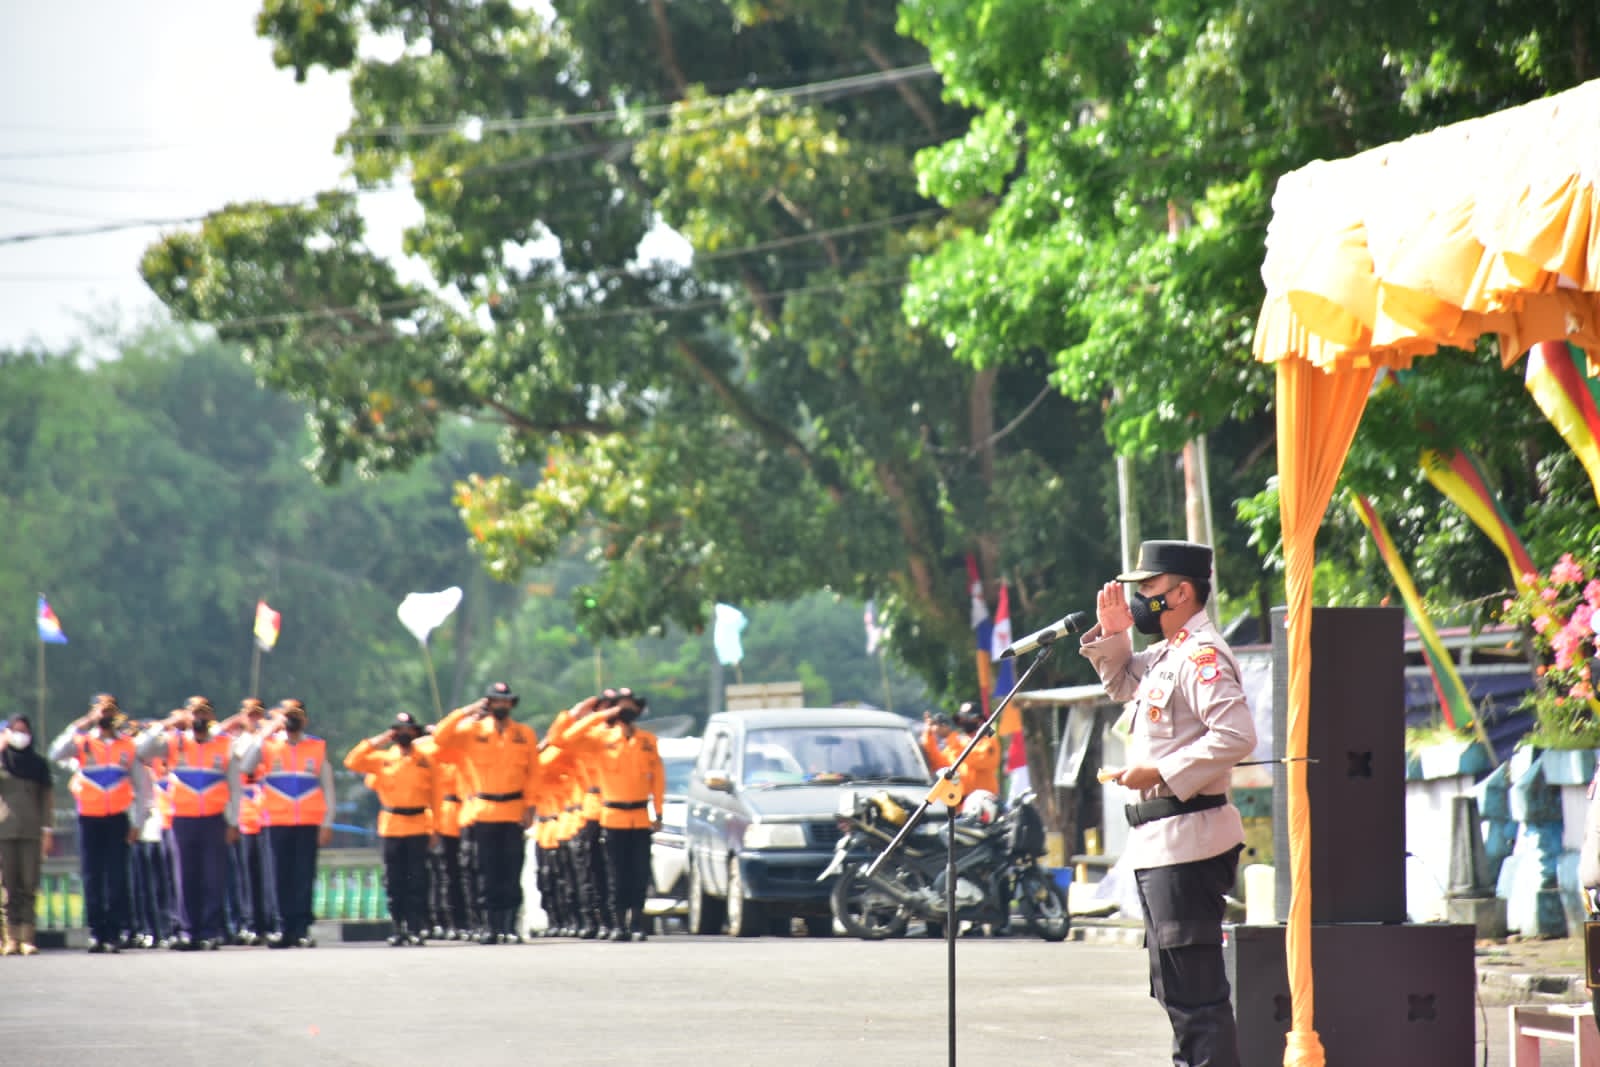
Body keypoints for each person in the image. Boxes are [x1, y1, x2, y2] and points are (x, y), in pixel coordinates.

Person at [1080, 539, 1255, 1067]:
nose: (1141, 599)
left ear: (1182, 591)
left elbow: (1236, 735)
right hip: (1162, 844)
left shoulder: (1201, 656)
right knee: (1178, 995)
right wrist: (1115, 632)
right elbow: (1122, 683)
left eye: (1149, 589)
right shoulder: (1169, 652)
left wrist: (1157, 770)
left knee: (1197, 998)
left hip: (1190, 841)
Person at [433, 682, 541, 944]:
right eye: (495, 701)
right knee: (487, 871)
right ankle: (490, 926)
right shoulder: (473, 731)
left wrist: (530, 807)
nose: (501, 705)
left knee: (512, 870)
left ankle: (510, 926)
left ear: (511, 704)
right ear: (488, 704)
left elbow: (533, 773)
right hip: (484, 811)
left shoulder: (524, 734)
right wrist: (467, 711)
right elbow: (440, 737)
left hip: (514, 810)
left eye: (505, 701)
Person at [554, 688, 665, 942]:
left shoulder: (647, 740)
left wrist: (658, 810)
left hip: (639, 815)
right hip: (612, 815)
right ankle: (617, 924)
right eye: (622, 706)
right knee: (615, 873)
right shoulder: (599, 738)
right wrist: (601, 714)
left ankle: (636, 922)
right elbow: (563, 739)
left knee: (639, 872)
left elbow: (658, 777)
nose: (627, 711)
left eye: (630, 706)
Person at [135, 696, 242, 951]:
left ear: (212, 717)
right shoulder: (174, 742)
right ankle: (187, 930)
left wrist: (233, 821)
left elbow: (236, 786)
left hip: (214, 818)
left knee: (212, 877)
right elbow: (140, 750)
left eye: (204, 713)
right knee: (184, 876)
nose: (199, 718)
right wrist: (168, 723)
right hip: (182, 818)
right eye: (194, 713)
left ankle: (209, 930)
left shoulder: (225, 744)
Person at [48, 694, 143, 953]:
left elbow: (140, 785)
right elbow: (55, 752)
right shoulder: (83, 741)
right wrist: (82, 723)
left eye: (110, 710)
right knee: (91, 875)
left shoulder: (127, 745)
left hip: (117, 818)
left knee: (116, 876)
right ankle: (96, 931)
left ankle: (113, 932)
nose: (106, 715)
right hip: (89, 816)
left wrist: (138, 821)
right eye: (101, 710)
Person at [238, 698, 335, 948]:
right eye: (288, 714)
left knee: (303, 875)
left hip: (307, 820)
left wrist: (327, 822)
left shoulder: (316, 746)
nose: (293, 719)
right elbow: (246, 765)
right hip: (276, 820)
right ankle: (281, 927)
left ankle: (301, 928)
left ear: (305, 720)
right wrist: (268, 730)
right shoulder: (268, 745)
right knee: (278, 876)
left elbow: (328, 786)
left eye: (297, 714)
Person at [345, 712, 441, 946]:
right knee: (394, 881)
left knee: (417, 880)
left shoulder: (427, 759)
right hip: (391, 825)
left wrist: (436, 827)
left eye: (408, 730)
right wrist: (381, 739)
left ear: (415, 732)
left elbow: (436, 795)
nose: (404, 734)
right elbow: (352, 761)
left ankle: (416, 928)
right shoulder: (383, 758)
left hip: (418, 824)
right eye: (399, 730)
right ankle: (398, 928)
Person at [0, 715, 54, 956]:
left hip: (31, 830)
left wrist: (47, 830)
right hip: (5, 829)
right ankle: (10, 937)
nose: (21, 735)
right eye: (16, 730)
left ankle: (27, 937)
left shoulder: (38, 764)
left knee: (29, 884)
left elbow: (47, 800)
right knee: (8, 885)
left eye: (24, 730)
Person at [921, 702, 1001, 801]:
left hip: (985, 803)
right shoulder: (958, 742)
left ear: (978, 719)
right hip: (961, 805)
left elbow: (980, 760)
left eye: (967, 717)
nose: (963, 720)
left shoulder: (989, 741)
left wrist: (951, 738)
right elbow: (938, 764)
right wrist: (929, 734)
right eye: (962, 717)